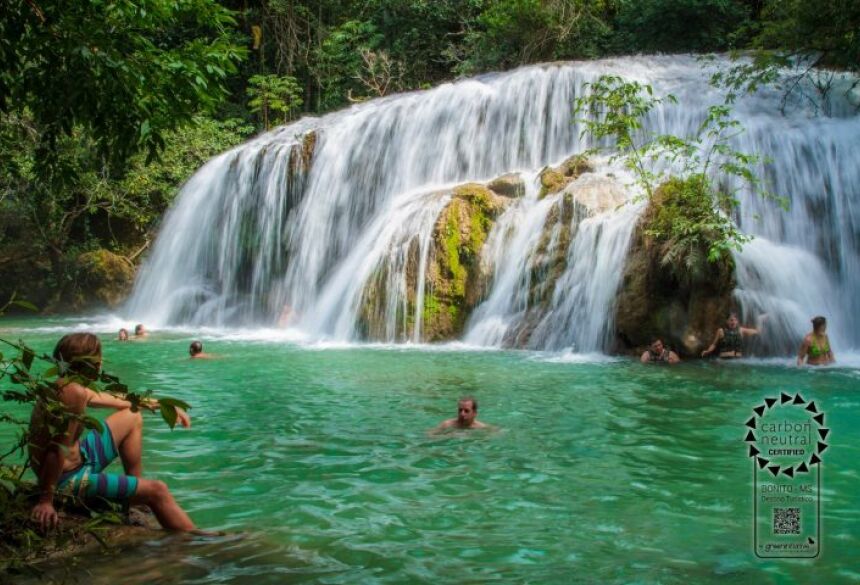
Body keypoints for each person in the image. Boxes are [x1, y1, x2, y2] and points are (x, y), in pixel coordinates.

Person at [29, 333, 195, 532]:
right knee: (158, 490)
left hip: (80, 460)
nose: (101, 365)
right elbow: (57, 449)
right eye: (99, 360)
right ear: (92, 364)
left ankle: (135, 498)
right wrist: (46, 500)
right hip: (66, 480)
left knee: (132, 415)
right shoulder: (72, 393)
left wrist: (163, 405)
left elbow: (121, 400)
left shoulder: (69, 385)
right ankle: (199, 541)